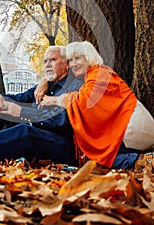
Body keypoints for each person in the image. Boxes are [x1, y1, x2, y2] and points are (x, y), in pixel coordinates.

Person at [38, 41, 154, 171]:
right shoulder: (93, 74)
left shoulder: (99, 74)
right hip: (125, 125)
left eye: (78, 58)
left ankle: (144, 160)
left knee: (98, 159)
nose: (74, 63)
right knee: (95, 159)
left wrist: (52, 100)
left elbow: (83, 101)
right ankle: (140, 160)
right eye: (70, 60)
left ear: (89, 57)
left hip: (134, 127)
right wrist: (44, 81)